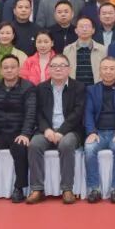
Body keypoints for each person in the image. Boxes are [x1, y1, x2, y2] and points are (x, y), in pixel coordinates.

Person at [0, 54, 36, 203]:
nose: (9, 70)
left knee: (21, 147)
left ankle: (19, 188)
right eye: (6, 67)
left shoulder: (28, 87)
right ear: (1, 70)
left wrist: (25, 134)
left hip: (19, 132)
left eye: (13, 67)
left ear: (19, 69)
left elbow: (30, 114)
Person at [27, 54, 86, 204]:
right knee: (34, 144)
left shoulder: (79, 87)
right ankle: (37, 189)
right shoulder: (41, 88)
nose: (58, 69)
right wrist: (46, 129)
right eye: (54, 66)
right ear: (49, 69)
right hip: (46, 130)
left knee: (66, 144)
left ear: (69, 69)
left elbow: (77, 113)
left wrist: (61, 131)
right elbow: (38, 112)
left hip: (70, 130)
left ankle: (67, 189)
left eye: (62, 66)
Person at [83, 57, 115, 203]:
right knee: (89, 148)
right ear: (100, 70)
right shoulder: (91, 90)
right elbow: (88, 112)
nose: (108, 71)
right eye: (105, 68)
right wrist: (91, 132)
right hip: (98, 132)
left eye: (112, 68)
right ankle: (94, 189)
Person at [64, 16, 107, 85]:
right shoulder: (67, 50)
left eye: (87, 26)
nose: (84, 29)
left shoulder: (103, 50)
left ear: (93, 30)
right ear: (76, 30)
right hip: (74, 88)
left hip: (96, 87)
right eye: (81, 26)